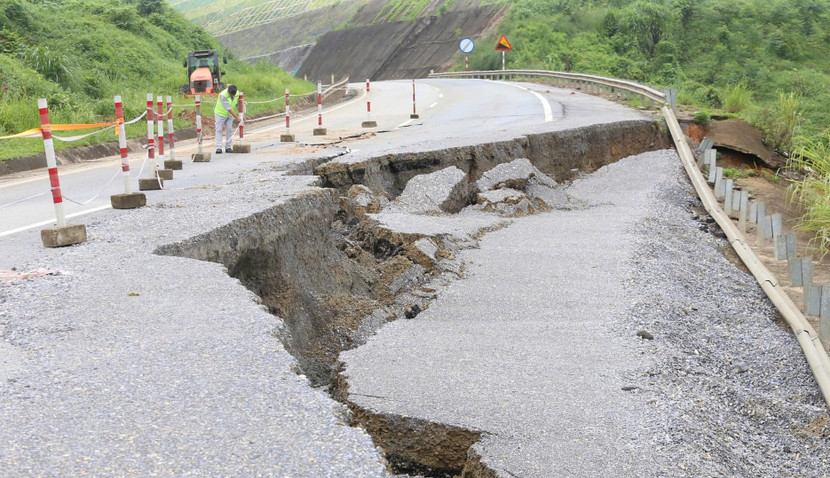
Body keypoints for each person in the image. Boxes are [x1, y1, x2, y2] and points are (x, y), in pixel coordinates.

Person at [214, 84, 241, 153]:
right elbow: (228, 108)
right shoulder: (223, 95)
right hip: (220, 114)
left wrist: (241, 114)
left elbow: (238, 104)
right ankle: (219, 147)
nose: (232, 96)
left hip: (229, 115)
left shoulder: (237, 93)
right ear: (228, 92)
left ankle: (228, 147)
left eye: (233, 95)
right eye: (231, 94)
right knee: (219, 130)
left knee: (229, 130)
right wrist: (237, 117)